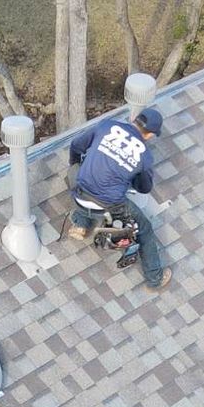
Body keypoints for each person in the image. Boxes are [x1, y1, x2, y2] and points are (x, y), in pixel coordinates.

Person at [65, 108, 169, 291]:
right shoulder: (145, 156)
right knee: (144, 229)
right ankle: (155, 279)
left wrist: (77, 164)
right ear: (151, 134)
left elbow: (76, 145)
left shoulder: (107, 126)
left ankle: (81, 223)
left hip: (79, 194)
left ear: (134, 120)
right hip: (108, 207)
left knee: (79, 172)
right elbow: (144, 188)